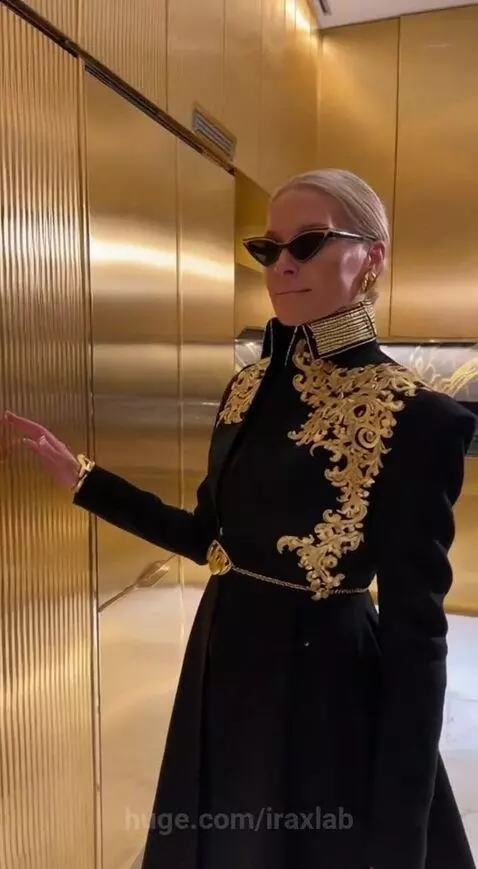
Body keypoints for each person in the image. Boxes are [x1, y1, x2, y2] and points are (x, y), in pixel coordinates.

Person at [4, 169, 476, 869]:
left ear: (371, 257)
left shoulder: (419, 418)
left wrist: (401, 835)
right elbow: (207, 536)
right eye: (268, 248)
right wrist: (85, 481)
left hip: (327, 693)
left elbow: (419, 640)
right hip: (222, 665)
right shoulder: (247, 387)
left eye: (308, 243)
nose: (282, 265)